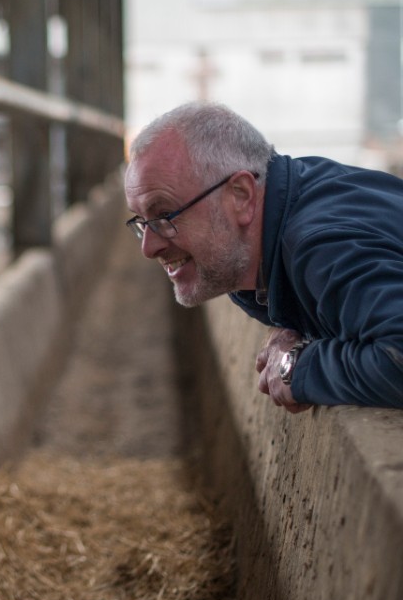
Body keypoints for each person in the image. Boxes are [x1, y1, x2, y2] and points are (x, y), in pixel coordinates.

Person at [123, 100, 403, 413]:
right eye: (142, 221)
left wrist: (297, 367)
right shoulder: (269, 234)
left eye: (165, 214)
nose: (149, 248)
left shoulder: (319, 245)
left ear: (240, 195)